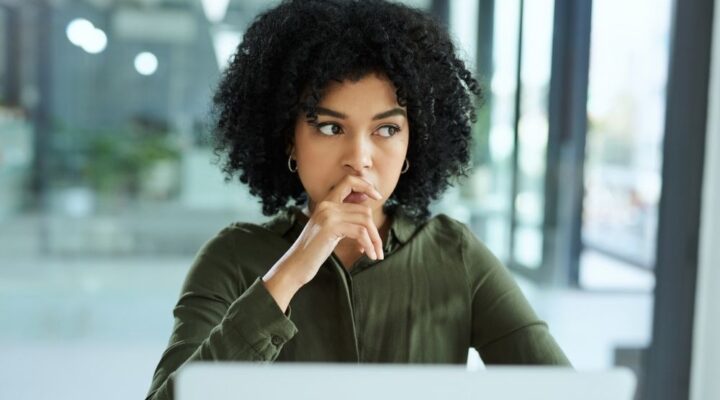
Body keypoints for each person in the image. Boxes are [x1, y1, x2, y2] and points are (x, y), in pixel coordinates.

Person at [146, 0, 570, 398]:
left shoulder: (455, 254)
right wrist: (291, 271)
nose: (359, 160)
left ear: (413, 144)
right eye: (331, 128)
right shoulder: (232, 257)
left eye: (386, 130)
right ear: (289, 139)